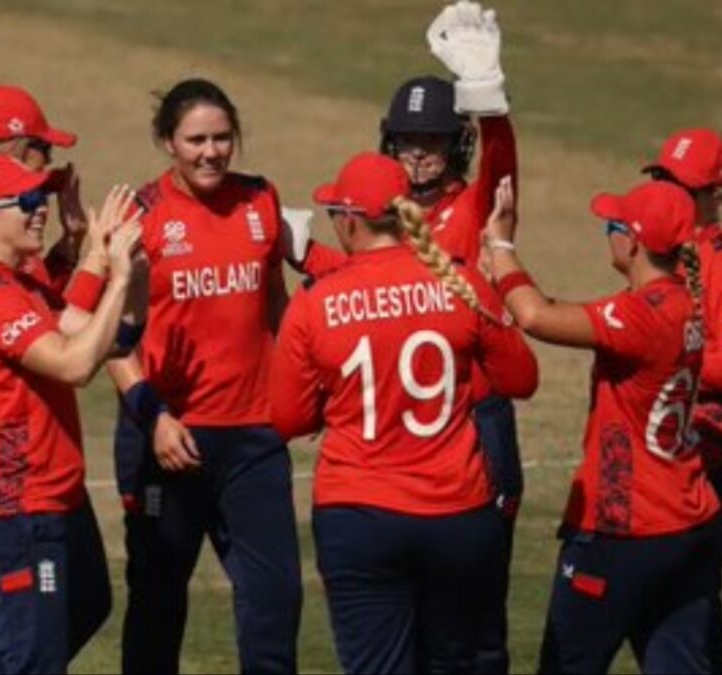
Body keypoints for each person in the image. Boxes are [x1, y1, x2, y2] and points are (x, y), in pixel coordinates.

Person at [271, 152, 536, 673]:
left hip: (360, 516)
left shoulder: (315, 302)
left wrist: (340, 397)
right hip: (458, 515)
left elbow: (288, 418)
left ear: (348, 221)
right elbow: (520, 380)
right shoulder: (460, 282)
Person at [484, 178, 722, 673]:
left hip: (623, 529)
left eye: (612, 225)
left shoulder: (642, 317)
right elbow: (561, 313)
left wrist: (502, 248)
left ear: (632, 241)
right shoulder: (685, 305)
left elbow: (534, 316)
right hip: (689, 522)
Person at [106, 77, 302, 674]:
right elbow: (112, 341)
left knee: (276, 601)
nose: (211, 151)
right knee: (158, 609)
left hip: (254, 438)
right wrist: (155, 418)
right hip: (167, 438)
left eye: (222, 138)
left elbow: (276, 304)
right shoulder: (141, 216)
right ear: (168, 142)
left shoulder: (261, 200)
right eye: (196, 140)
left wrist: (299, 390)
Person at [0, 153, 141, 674]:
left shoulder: (23, 285)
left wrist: (123, 266)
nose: (42, 211)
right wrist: (115, 279)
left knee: (83, 606)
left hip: (55, 497)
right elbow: (75, 364)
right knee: (34, 656)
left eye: (43, 199)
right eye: (29, 201)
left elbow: (108, 338)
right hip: (17, 509)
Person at [0, 84, 105, 498]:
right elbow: (52, 331)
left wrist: (71, 245)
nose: (49, 162)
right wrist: (104, 265)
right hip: (0, 452)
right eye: (42, 150)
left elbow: (36, 307)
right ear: (16, 150)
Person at [644, 129, 722, 496]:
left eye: (683, 188)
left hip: (708, 445)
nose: (669, 196)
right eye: (662, 181)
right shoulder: (657, 249)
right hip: (662, 428)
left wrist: (672, 358)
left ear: (715, 195)